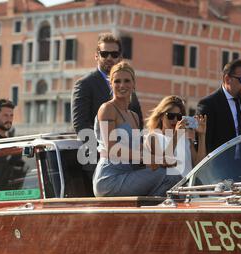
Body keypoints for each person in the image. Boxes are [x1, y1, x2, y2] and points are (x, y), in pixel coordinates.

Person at [93, 62, 181, 197]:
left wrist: (162, 158)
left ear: (134, 84)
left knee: (174, 175)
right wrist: (152, 158)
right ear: (111, 84)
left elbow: (139, 148)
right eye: (117, 81)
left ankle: (152, 212)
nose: (122, 85)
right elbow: (112, 149)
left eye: (127, 81)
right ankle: (152, 213)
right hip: (109, 178)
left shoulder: (133, 115)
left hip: (130, 174)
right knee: (170, 177)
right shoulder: (107, 109)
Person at [71, 33, 143, 135]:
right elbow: (81, 125)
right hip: (99, 148)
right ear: (96, 56)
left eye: (114, 54)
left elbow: (139, 126)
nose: (109, 58)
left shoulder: (128, 87)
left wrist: (135, 148)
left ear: (120, 57)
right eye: (104, 54)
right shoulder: (84, 84)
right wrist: (101, 148)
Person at [145, 95, 206, 177]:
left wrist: (202, 135)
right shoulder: (153, 137)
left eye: (179, 117)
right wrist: (177, 135)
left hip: (187, 188)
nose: (175, 120)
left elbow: (199, 168)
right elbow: (163, 162)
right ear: (161, 116)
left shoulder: (187, 141)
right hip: (167, 188)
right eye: (170, 116)